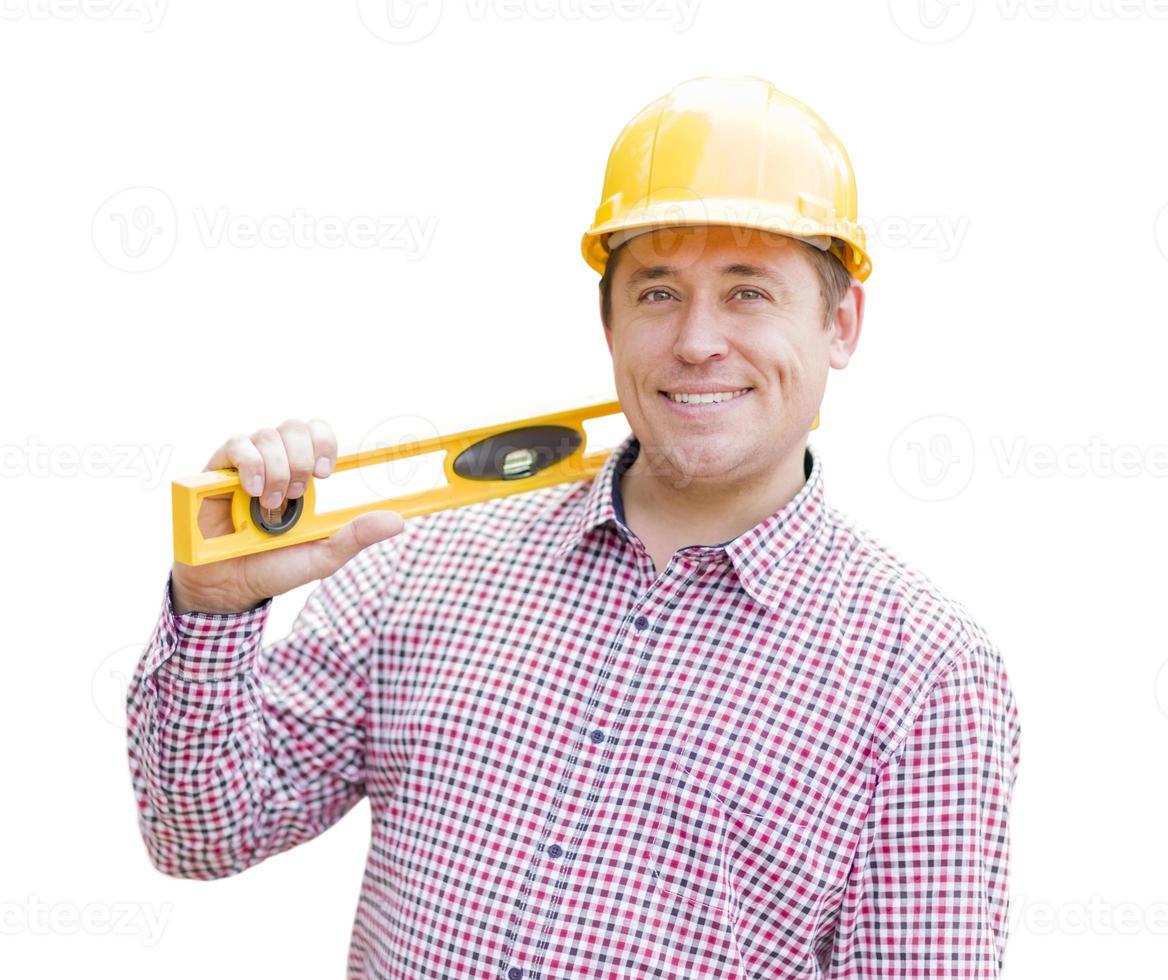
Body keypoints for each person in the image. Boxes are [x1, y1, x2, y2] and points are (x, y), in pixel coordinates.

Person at [126, 75, 1021, 979]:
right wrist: (213, 608)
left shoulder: (926, 678)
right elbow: (200, 835)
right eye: (659, 292)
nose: (698, 341)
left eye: (749, 292)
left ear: (842, 323)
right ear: (610, 323)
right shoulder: (421, 563)